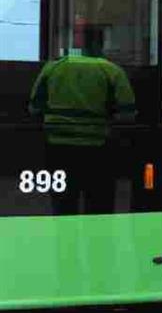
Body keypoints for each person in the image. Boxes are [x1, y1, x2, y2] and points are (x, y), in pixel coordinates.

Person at [28, 24, 135, 215]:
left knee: (63, 207)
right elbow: (127, 113)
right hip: (99, 151)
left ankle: (65, 244)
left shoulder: (54, 68)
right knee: (99, 208)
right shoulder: (112, 72)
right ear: (100, 43)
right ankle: (95, 244)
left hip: (58, 149)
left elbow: (34, 108)